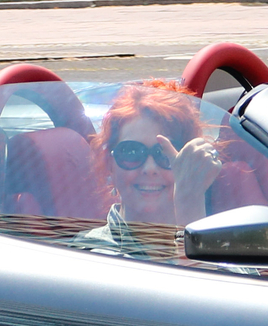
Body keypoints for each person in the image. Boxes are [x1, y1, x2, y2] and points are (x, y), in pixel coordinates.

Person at [85, 80, 226, 248]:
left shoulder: (225, 244)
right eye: (131, 152)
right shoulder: (90, 253)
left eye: (164, 153)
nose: (150, 169)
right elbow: (197, 275)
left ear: (193, 162)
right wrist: (190, 209)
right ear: (109, 164)